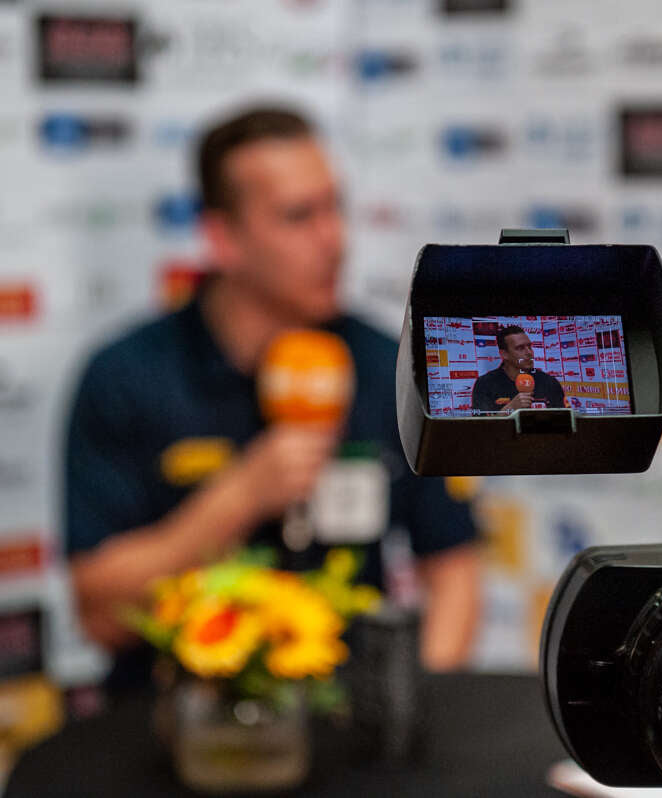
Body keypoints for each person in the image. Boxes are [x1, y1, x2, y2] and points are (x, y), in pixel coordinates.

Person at [65, 107, 482, 690]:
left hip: (351, 716)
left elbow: (455, 570)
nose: (334, 239)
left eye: (335, 207)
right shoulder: (126, 376)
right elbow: (100, 616)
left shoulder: (394, 365)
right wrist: (242, 495)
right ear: (223, 238)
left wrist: (408, 709)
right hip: (180, 718)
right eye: (298, 216)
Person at [471, 325, 566, 413]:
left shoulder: (549, 383)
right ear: (504, 354)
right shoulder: (485, 384)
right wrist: (510, 409)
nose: (529, 353)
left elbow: (564, 420)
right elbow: (481, 423)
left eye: (529, 346)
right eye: (520, 348)